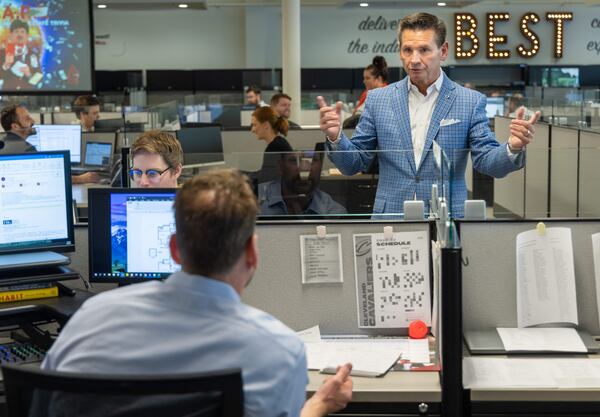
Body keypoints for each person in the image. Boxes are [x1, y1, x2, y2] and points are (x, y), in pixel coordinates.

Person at [42, 168, 353, 417]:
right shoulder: (278, 352)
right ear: (252, 253)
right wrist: (319, 405)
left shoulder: (90, 321)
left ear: (175, 249)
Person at [318, 12, 540, 217]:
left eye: (424, 50)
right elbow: (353, 163)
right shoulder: (378, 100)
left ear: (443, 51)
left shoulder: (469, 101)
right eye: (407, 50)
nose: (414, 59)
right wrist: (336, 137)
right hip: (392, 218)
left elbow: (486, 161)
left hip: (446, 219)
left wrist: (513, 147)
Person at [0, 104, 100, 184]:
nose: (33, 121)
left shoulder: (3, 144)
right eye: (27, 119)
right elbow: (47, 179)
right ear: (15, 126)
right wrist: (81, 178)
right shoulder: (26, 149)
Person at [259, 145, 347, 217]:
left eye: (312, 160)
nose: (304, 168)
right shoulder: (255, 200)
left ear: (321, 167)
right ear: (281, 166)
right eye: (294, 161)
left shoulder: (333, 213)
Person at [250, 106, 293, 183]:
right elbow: (266, 173)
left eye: (254, 125)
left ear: (266, 125)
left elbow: (265, 179)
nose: (252, 130)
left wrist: (239, 176)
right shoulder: (278, 143)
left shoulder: (274, 147)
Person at [0, 19, 43, 91]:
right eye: (16, 31)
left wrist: (29, 74)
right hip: (7, 96)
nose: (19, 34)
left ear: (27, 35)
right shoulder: (2, 53)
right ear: (11, 35)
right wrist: (5, 66)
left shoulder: (33, 55)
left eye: (22, 32)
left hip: (27, 97)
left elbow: (39, 79)